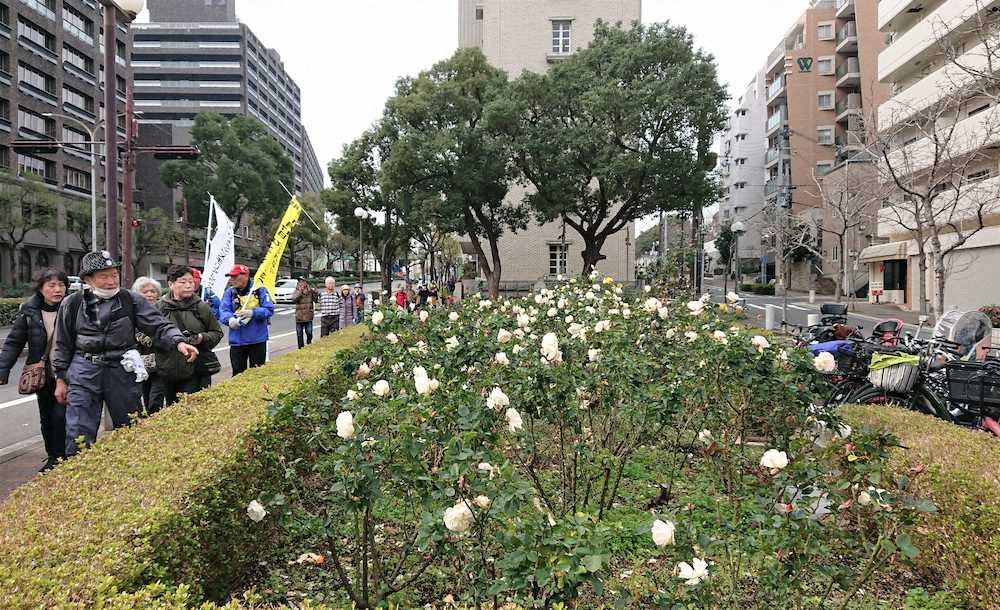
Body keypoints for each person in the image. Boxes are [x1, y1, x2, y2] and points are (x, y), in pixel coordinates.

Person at [52, 251, 199, 456]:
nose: (111, 281)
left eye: (114, 275)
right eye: (104, 276)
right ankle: (78, 474)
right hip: (84, 370)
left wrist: (178, 341)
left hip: (121, 368)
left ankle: (131, 473)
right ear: (88, 279)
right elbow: (62, 344)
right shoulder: (73, 303)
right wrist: (60, 378)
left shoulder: (130, 299)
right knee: (79, 432)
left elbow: (158, 324)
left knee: (130, 426)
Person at [0, 269, 69, 471]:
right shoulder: (29, 311)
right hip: (43, 374)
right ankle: (53, 456)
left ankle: (62, 455)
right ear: (41, 289)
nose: (58, 290)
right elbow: (14, 342)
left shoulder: (73, 307)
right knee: (46, 416)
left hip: (68, 372)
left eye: (61, 285)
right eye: (51, 285)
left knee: (61, 415)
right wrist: (3, 369)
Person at [148, 266, 224, 411]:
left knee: (194, 409)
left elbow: (217, 333)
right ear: (171, 284)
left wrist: (201, 338)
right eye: (183, 282)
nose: (189, 285)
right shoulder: (159, 308)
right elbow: (147, 332)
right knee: (172, 410)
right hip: (167, 369)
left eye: (191, 281)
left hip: (195, 369)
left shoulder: (201, 307)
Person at [219, 264, 275, 375]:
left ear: (245, 276)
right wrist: (230, 320)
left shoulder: (260, 290)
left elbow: (269, 309)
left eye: (235, 276)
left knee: (258, 373)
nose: (232, 280)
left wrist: (253, 313)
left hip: (257, 340)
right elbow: (223, 310)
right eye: (231, 277)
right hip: (237, 341)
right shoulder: (230, 292)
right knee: (237, 374)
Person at [132, 276, 162, 411]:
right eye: (145, 292)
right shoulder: (133, 312)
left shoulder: (163, 309)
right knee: (144, 393)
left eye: (153, 291)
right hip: (140, 362)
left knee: (156, 398)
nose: (150, 294)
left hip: (161, 361)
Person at [292, 278, 318, 349]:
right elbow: (294, 299)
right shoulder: (297, 290)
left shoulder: (310, 291)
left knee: (309, 332)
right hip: (299, 317)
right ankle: (300, 348)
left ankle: (309, 344)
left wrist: (315, 292)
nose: (302, 283)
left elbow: (316, 300)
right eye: (300, 281)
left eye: (303, 281)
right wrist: (300, 291)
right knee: (299, 334)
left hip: (308, 316)